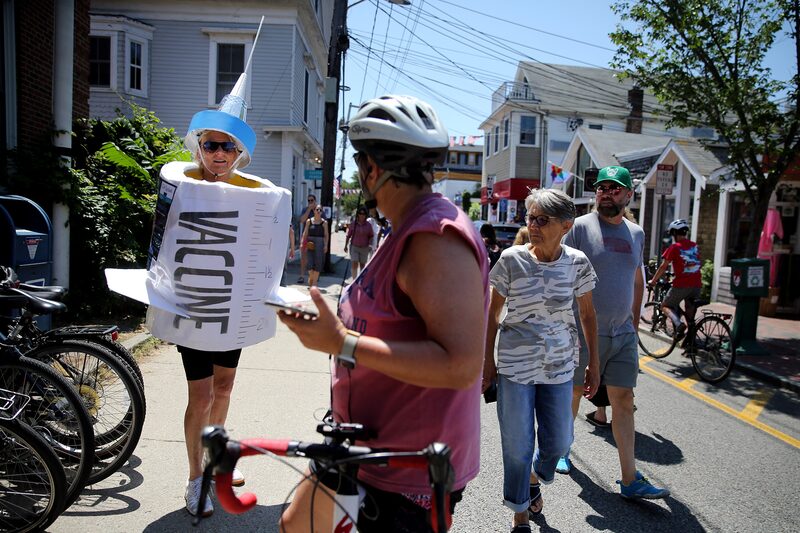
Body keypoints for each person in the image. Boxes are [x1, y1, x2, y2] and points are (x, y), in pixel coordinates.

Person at [277, 95, 489, 532]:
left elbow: (461, 364)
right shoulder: (404, 227)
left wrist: (342, 343)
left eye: (360, 167)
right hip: (364, 447)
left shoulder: (435, 238)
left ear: (372, 170)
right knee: (295, 526)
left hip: (408, 469)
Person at [484, 189, 599, 530]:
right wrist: (487, 365)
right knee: (517, 444)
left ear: (566, 225)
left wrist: (594, 361)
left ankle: (535, 476)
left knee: (560, 441)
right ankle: (520, 514)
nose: (532, 225)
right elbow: (492, 314)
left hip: (561, 366)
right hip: (515, 368)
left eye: (542, 219)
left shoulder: (578, 262)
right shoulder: (511, 259)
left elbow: (588, 314)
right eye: (530, 218)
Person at [560, 165, 670, 499]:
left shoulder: (636, 233)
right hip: (582, 331)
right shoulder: (579, 227)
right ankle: (562, 450)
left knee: (624, 400)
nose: (606, 192)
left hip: (622, 333)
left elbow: (637, 280)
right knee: (576, 392)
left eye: (614, 188)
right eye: (602, 187)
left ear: (628, 195)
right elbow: (561, 272)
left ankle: (629, 479)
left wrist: (634, 327)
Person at [179, 118, 261, 516]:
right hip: (194, 305)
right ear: (199, 147)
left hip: (231, 305)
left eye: (228, 148)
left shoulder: (251, 193)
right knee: (202, 394)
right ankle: (196, 479)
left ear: (239, 154)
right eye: (212, 145)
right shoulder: (180, 185)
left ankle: (214, 463)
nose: (219, 154)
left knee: (224, 388)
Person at [649, 218, 702, 340]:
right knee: (690, 318)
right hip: (697, 285)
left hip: (682, 285)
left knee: (665, 305)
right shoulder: (694, 246)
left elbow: (663, 266)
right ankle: (690, 346)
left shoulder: (674, 247)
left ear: (674, 234)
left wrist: (653, 281)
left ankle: (678, 325)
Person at [301, 204, 329, 290]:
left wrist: (326, 245)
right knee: (309, 263)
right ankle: (312, 278)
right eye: (317, 209)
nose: (318, 211)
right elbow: (305, 233)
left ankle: (314, 283)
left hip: (320, 243)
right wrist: (302, 243)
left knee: (318, 263)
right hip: (310, 243)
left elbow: (326, 235)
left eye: (320, 210)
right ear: (314, 211)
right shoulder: (309, 221)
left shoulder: (324, 223)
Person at [344, 207, 374, 279]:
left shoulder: (368, 225)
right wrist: (345, 246)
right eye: (360, 213)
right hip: (354, 247)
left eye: (363, 214)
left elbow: (371, 236)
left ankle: (361, 280)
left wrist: (370, 245)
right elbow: (348, 235)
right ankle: (354, 280)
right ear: (358, 215)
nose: (362, 215)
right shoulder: (353, 224)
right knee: (354, 263)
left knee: (362, 265)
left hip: (364, 248)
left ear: (366, 215)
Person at [297, 194, 317, 283]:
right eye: (308, 201)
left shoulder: (318, 210)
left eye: (312, 200)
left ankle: (313, 277)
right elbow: (302, 220)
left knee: (313, 258)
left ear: (315, 201)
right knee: (304, 258)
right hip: (306, 236)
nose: (310, 202)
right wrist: (309, 209)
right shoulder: (305, 210)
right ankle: (301, 276)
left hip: (315, 237)